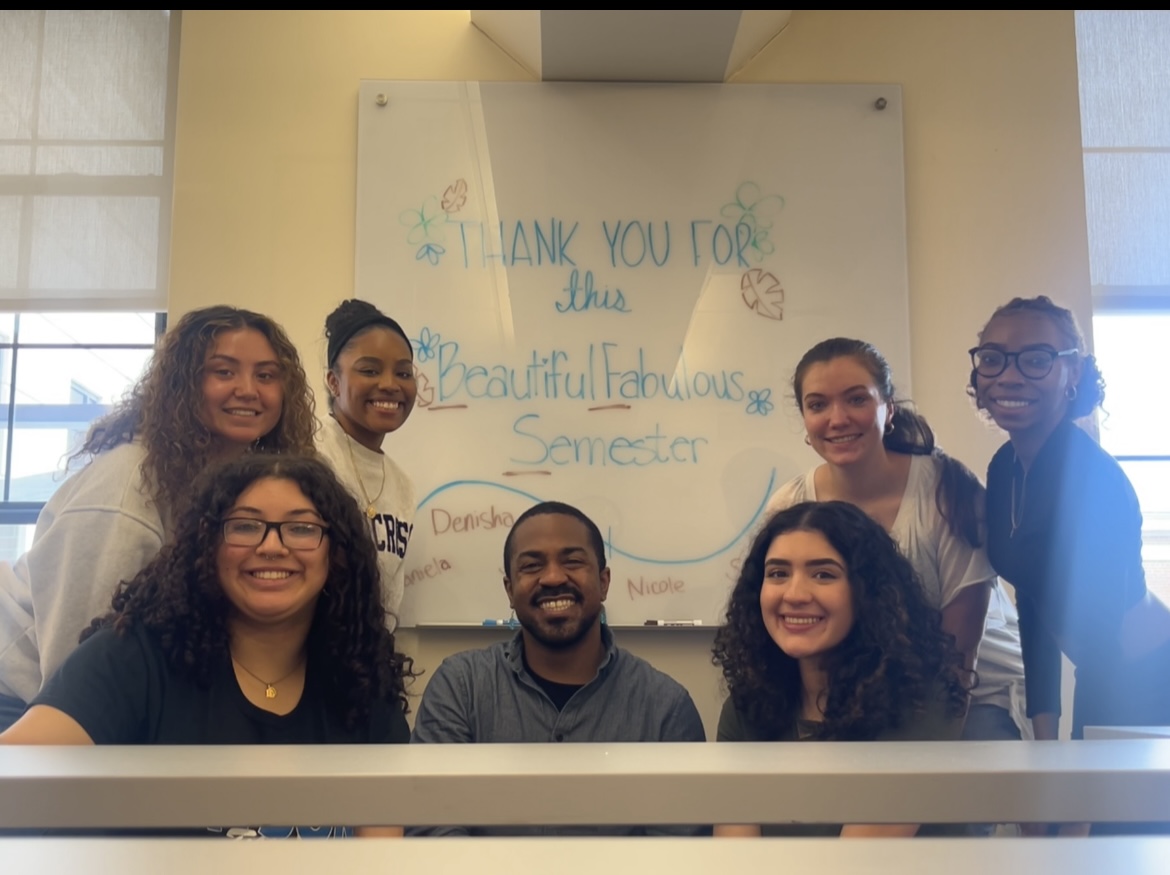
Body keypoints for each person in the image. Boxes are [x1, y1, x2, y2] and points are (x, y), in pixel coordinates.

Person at [1, 454, 412, 838]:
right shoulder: (132, 659)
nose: (272, 546)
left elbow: (382, 853)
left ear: (336, 554)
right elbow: (13, 774)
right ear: (207, 546)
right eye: (245, 526)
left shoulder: (362, 680)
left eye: (302, 528)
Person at [0, 306, 317, 732]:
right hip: (26, 698)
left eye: (265, 375)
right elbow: (79, 667)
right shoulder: (128, 486)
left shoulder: (238, 486)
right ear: (182, 385)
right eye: (223, 372)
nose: (248, 390)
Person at [769, 338, 1027, 749]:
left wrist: (923, 781)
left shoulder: (948, 494)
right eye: (818, 405)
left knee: (941, 807)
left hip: (976, 694)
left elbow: (960, 659)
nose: (837, 419)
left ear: (888, 408)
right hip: (875, 694)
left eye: (856, 399)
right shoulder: (790, 506)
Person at [409, 500, 707, 837]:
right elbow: (431, 833)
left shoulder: (665, 707)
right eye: (532, 565)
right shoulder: (460, 688)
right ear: (509, 589)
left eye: (573, 561)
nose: (552, 577)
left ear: (604, 581)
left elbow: (678, 856)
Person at [971, 296, 1170, 745]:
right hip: (1103, 675)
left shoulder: (1093, 481)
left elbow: (1107, 653)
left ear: (1072, 373)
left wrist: (1078, 791)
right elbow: (1033, 599)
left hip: (1148, 682)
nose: (1008, 374)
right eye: (992, 359)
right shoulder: (1005, 467)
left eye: (1036, 360)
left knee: (1096, 816)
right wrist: (1045, 733)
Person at [713, 500, 970, 837]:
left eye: (823, 574)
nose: (794, 594)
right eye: (778, 573)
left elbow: (855, 865)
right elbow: (735, 861)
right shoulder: (747, 704)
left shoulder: (921, 700)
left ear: (868, 593)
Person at [317, 299, 416, 617]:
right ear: (334, 382)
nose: (390, 385)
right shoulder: (307, 453)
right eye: (370, 370)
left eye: (403, 372)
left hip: (371, 657)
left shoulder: (403, 487)